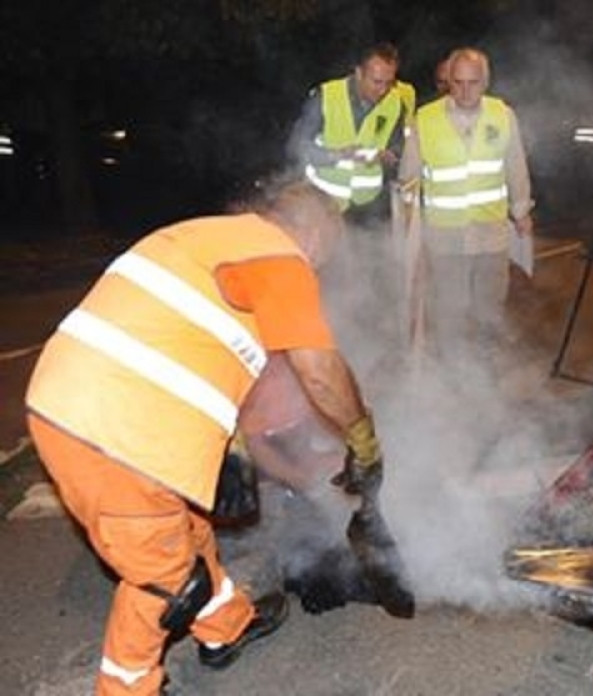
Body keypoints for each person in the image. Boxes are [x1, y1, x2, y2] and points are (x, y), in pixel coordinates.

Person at [24, 179, 385, 695]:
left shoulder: (206, 238)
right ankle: (124, 687)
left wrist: (232, 445)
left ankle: (225, 628)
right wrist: (363, 438)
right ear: (315, 229)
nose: (323, 265)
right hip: (117, 432)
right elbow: (320, 371)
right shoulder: (279, 256)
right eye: (331, 246)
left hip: (72, 403)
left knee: (188, 529)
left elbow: (188, 345)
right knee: (166, 580)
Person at [398, 47, 533, 355]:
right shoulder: (426, 118)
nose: (464, 91)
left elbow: (515, 165)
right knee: (450, 309)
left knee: (490, 307)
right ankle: (455, 369)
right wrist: (407, 220)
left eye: (472, 83)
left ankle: (485, 364)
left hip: (491, 233)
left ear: (485, 82)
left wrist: (521, 210)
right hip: (445, 236)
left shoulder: (503, 115)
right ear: (448, 81)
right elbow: (409, 177)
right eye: (457, 83)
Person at [289, 42, 406, 225]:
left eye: (389, 83)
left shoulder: (395, 104)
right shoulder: (326, 96)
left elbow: (397, 146)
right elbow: (296, 146)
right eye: (376, 82)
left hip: (368, 209)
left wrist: (389, 156)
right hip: (323, 203)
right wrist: (336, 155)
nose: (382, 90)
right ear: (359, 73)